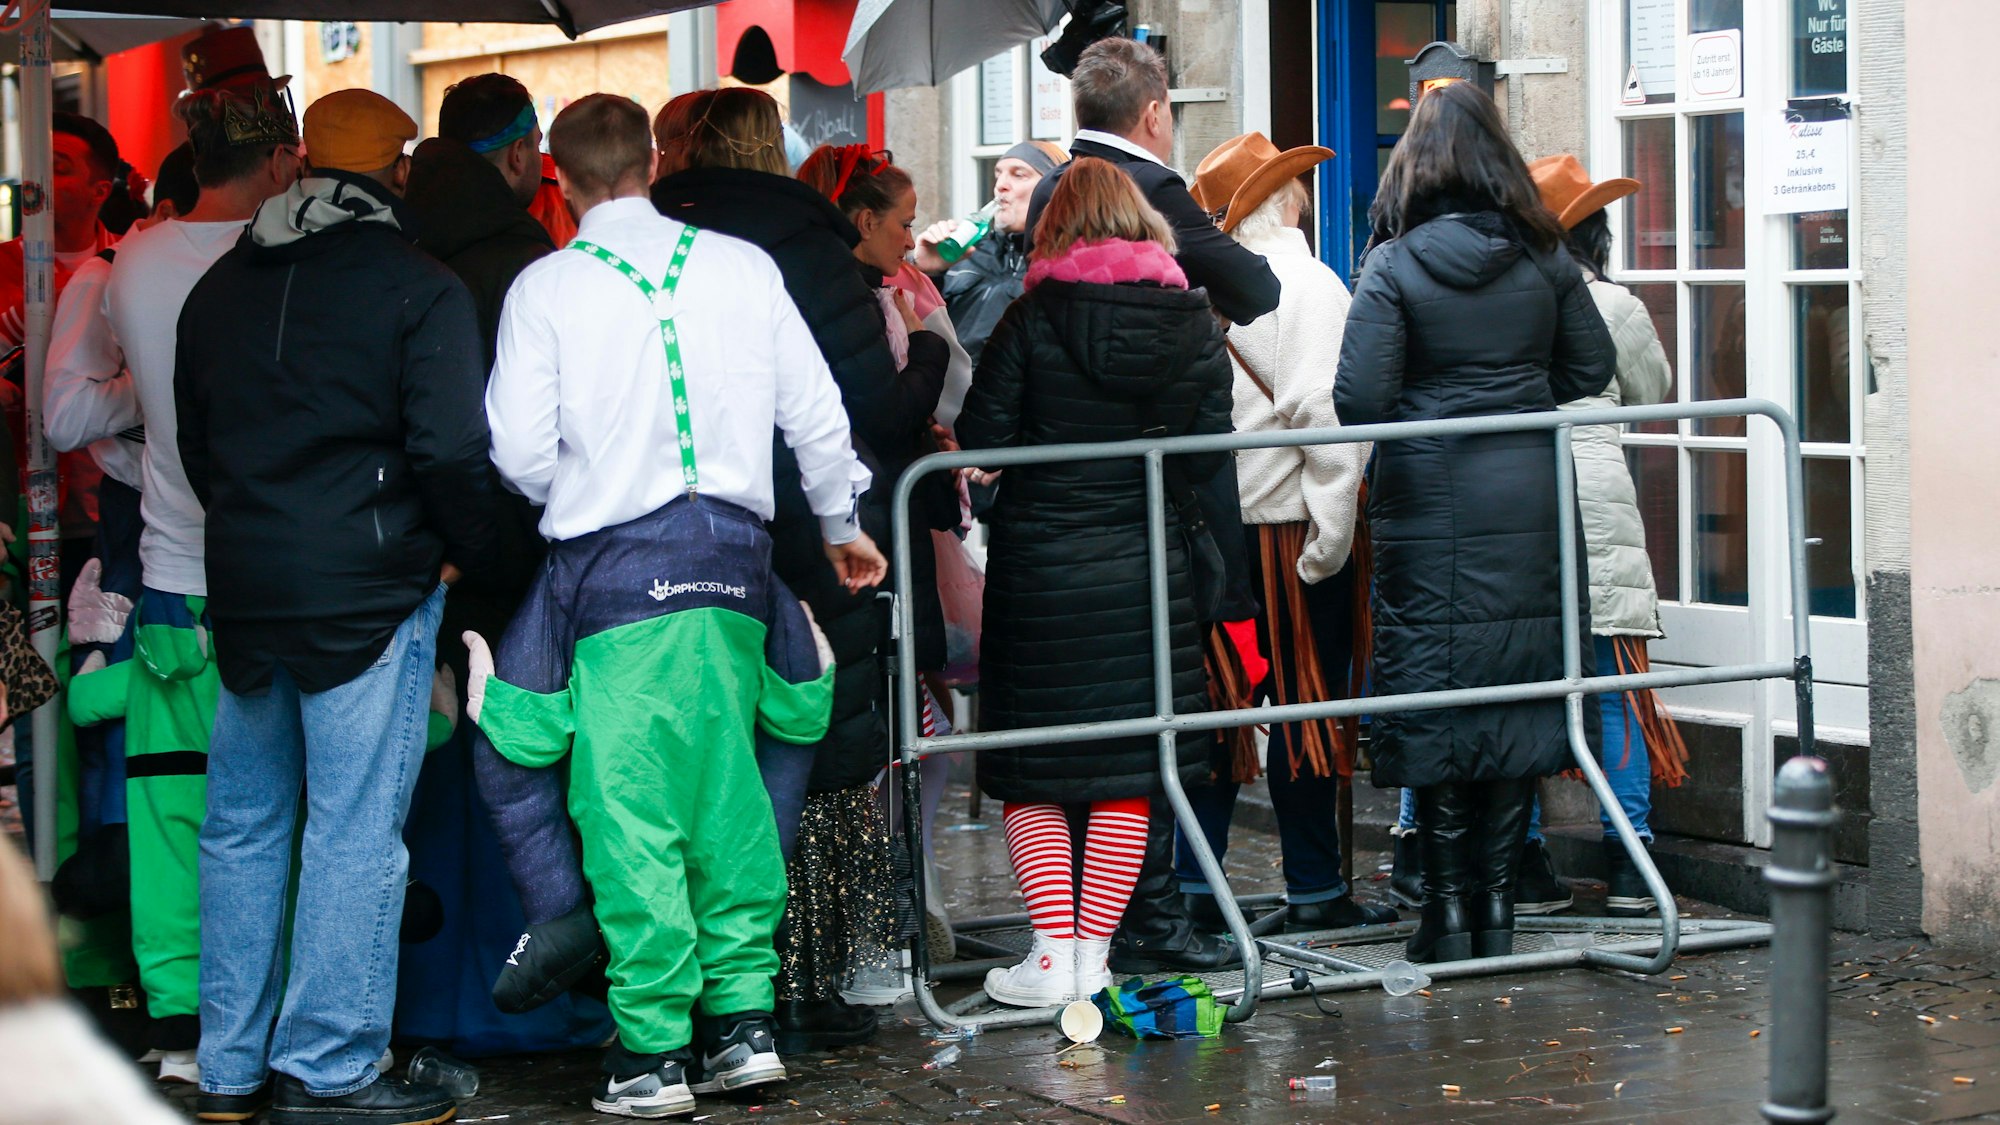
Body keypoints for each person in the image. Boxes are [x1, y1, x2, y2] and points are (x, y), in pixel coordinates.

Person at [472, 92, 883, 1118]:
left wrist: (578, 482)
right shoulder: (744, 267)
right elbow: (816, 411)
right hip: (739, 566)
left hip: (612, 575)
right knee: (731, 797)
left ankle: (650, 1050)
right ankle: (742, 1027)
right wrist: (840, 523)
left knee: (627, 811)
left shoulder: (545, 286)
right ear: (655, 159)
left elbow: (518, 455)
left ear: (557, 178)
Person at [174, 88, 492, 1124]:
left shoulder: (220, 287)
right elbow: (451, 450)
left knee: (242, 829)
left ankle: (227, 1072)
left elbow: (196, 447)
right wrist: (460, 556)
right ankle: (330, 1066)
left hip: (249, 588)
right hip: (369, 587)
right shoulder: (419, 285)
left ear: (303, 163)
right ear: (400, 172)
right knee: (354, 835)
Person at [652, 91, 947, 1050]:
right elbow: (864, 402)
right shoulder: (808, 246)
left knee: (700, 743)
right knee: (822, 737)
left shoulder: (648, 236)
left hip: (675, 525)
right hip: (815, 527)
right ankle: (807, 966)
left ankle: (707, 978)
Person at [1333, 81, 1615, 964]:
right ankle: (1496, 907)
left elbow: (1361, 398)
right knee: (1516, 694)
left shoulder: (1393, 263)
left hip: (1427, 502)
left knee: (1437, 693)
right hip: (1528, 494)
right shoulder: (1546, 258)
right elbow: (1591, 366)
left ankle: (1445, 913)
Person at [959, 157, 1232, 1007]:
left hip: (1042, 567)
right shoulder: (1190, 317)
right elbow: (1209, 443)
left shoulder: (1031, 315)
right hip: (1147, 566)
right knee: (1128, 761)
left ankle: (1049, 954)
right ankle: (1094, 959)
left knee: (1031, 759)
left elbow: (983, 432)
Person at [1025, 36, 1266, 976]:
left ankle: (1081, 935)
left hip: (1057, 519)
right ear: (1156, 112)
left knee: (1078, 729)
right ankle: (1148, 921)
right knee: (1159, 716)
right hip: (1156, 514)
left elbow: (1000, 404)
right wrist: (1194, 317)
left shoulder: (1050, 196)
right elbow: (1260, 286)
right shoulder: (1152, 192)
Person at [1175, 132, 1398, 933]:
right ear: (1286, 199)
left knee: (1217, 720)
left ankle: (1194, 895)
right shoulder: (1308, 282)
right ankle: (1314, 891)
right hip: (1293, 535)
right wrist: (1333, 537)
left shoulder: (1194, 283)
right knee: (1306, 716)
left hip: (1216, 539)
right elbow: (1329, 422)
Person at [1513, 153, 1687, 918]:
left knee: (1518, 689)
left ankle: (1522, 859)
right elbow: (1655, 389)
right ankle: (1629, 862)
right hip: (1598, 499)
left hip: (1515, 498)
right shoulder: (1611, 303)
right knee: (1615, 685)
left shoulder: (1507, 296)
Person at [1026, 37, 1278, 327]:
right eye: (1169, 113)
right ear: (1153, 116)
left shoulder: (1047, 186)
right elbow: (1259, 290)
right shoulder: (1151, 186)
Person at [914, 140, 1066, 365]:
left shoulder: (1063, 266)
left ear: (1051, 190)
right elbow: (907, 331)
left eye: (1019, 175)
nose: (1001, 186)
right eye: (998, 174)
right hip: (941, 391)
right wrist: (922, 272)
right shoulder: (967, 253)